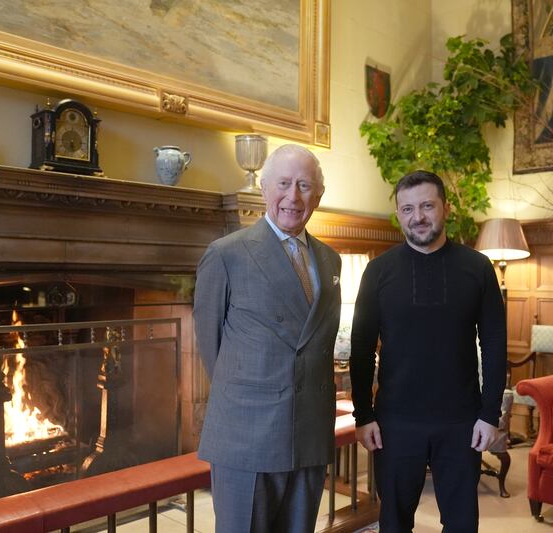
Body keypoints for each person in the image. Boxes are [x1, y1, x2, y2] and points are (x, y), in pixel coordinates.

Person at [193, 144, 342, 532]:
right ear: (263, 189)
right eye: (284, 183)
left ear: (319, 196)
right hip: (248, 433)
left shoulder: (330, 259)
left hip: (309, 431)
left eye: (305, 186)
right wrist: (252, 393)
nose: (293, 196)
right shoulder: (227, 254)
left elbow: (319, 340)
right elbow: (211, 346)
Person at [349, 170, 507, 533]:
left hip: (461, 421)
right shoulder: (378, 271)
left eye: (426, 206)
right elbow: (361, 347)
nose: (416, 217)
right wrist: (363, 414)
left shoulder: (477, 268)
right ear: (399, 214)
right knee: (393, 522)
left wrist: (489, 413)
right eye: (406, 209)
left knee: (462, 523)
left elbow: (495, 343)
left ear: (445, 208)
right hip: (394, 421)